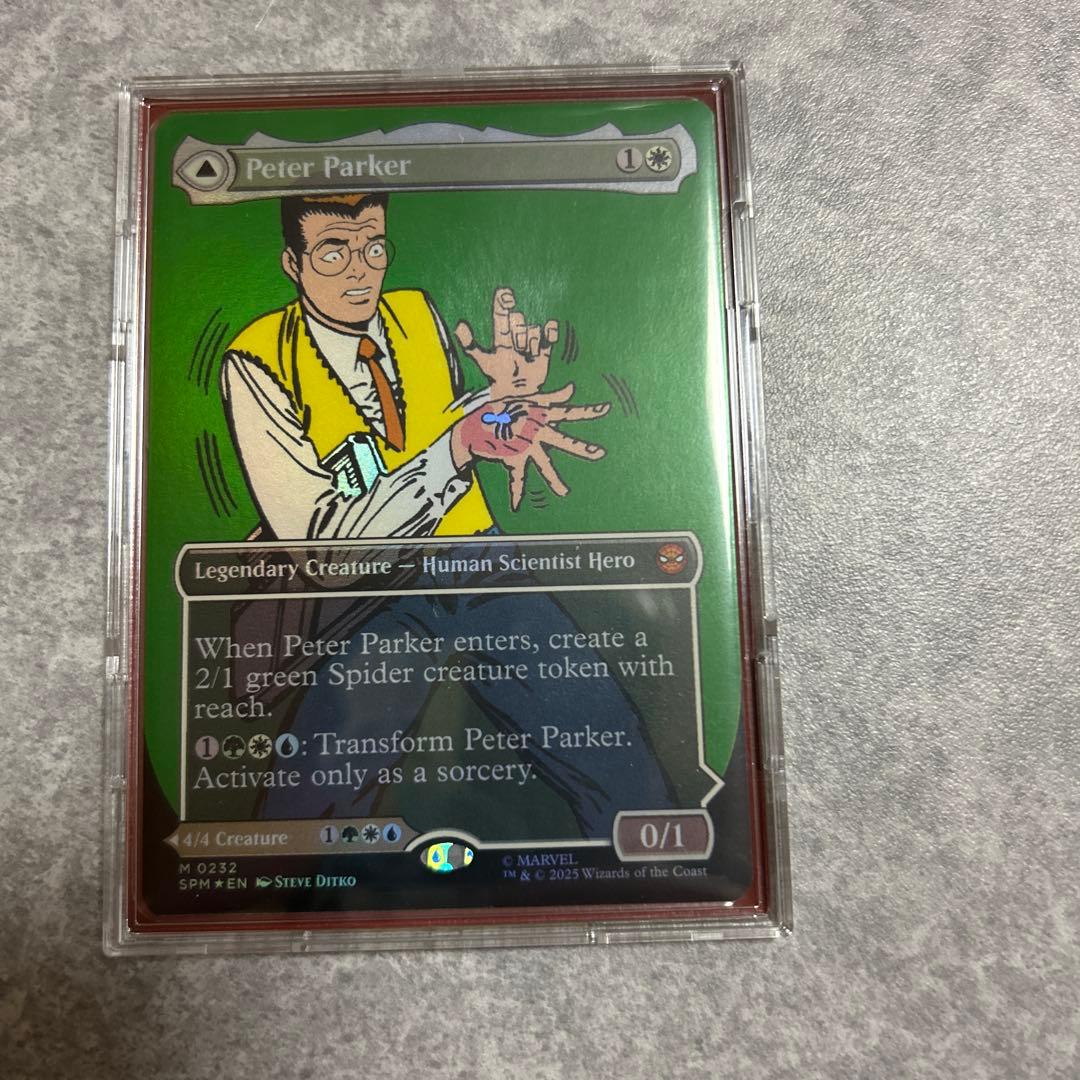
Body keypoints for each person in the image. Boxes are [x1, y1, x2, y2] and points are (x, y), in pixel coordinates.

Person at [220, 191, 674, 837]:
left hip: (478, 561)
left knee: (614, 752)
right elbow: (324, 550)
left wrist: (499, 403)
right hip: (369, 595)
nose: (360, 270)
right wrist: (460, 445)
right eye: (333, 252)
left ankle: (660, 868)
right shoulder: (257, 358)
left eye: (374, 247)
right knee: (313, 808)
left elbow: (435, 428)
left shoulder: (415, 312)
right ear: (292, 263)